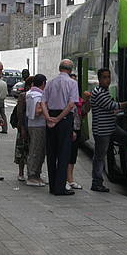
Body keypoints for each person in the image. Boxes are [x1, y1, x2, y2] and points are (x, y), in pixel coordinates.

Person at [43, 59, 80, 195]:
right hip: (64, 118)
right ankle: (60, 187)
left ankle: (52, 186)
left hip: (51, 116)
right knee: (64, 153)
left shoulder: (50, 83)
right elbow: (71, 104)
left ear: (59, 68)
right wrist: (58, 119)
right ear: (70, 70)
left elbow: (43, 102)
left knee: (51, 153)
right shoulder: (72, 83)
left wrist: (48, 118)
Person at [90, 68, 127, 192]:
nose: (107, 80)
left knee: (126, 139)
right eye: (104, 77)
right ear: (99, 79)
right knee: (99, 157)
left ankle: (123, 167)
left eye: (108, 77)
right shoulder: (99, 92)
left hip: (110, 127)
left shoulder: (104, 91)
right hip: (102, 130)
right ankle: (96, 182)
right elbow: (112, 106)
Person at [25, 74, 50, 187]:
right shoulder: (37, 95)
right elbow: (38, 111)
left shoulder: (30, 93)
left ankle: (36, 175)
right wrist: (46, 106)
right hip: (38, 125)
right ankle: (32, 176)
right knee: (36, 151)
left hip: (32, 125)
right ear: (43, 83)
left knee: (38, 150)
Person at [66, 74, 90, 191]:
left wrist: (86, 101)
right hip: (69, 128)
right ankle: (66, 179)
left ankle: (69, 178)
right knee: (66, 153)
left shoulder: (78, 98)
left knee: (73, 154)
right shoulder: (66, 97)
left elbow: (83, 112)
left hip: (77, 127)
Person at [14, 75, 33, 182]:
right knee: (22, 149)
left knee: (31, 150)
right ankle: (21, 172)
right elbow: (20, 113)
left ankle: (30, 171)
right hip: (23, 126)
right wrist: (21, 127)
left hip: (32, 126)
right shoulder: (23, 96)